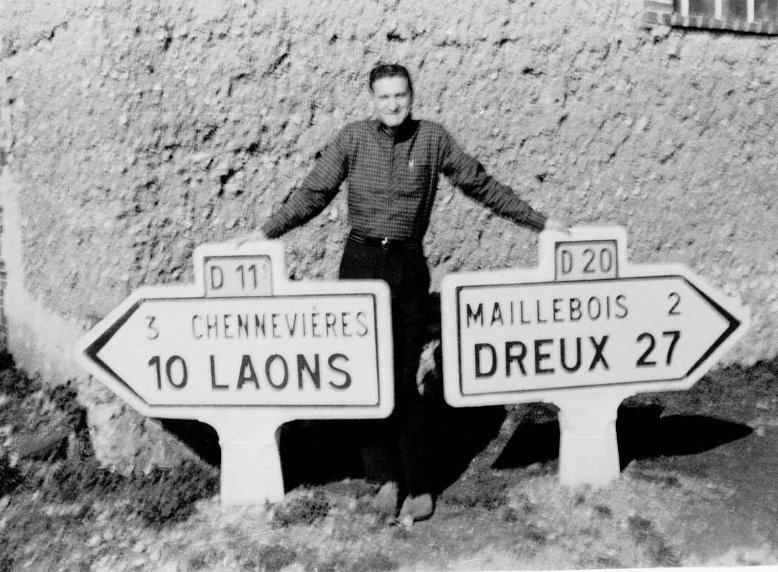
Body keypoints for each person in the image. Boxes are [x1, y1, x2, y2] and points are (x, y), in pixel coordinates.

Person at [238, 63, 568, 523]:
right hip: (360, 265)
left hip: (408, 266)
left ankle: (418, 483)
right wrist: (267, 232)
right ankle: (385, 477)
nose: (393, 104)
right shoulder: (352, 139)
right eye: (384, 97)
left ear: (412, 96)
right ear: (372, 100)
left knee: (410, 374)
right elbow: (314, 192)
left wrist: (541, 222)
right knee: (368, 375)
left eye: (401, 95)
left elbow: (480, 184)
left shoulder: (432, 139)